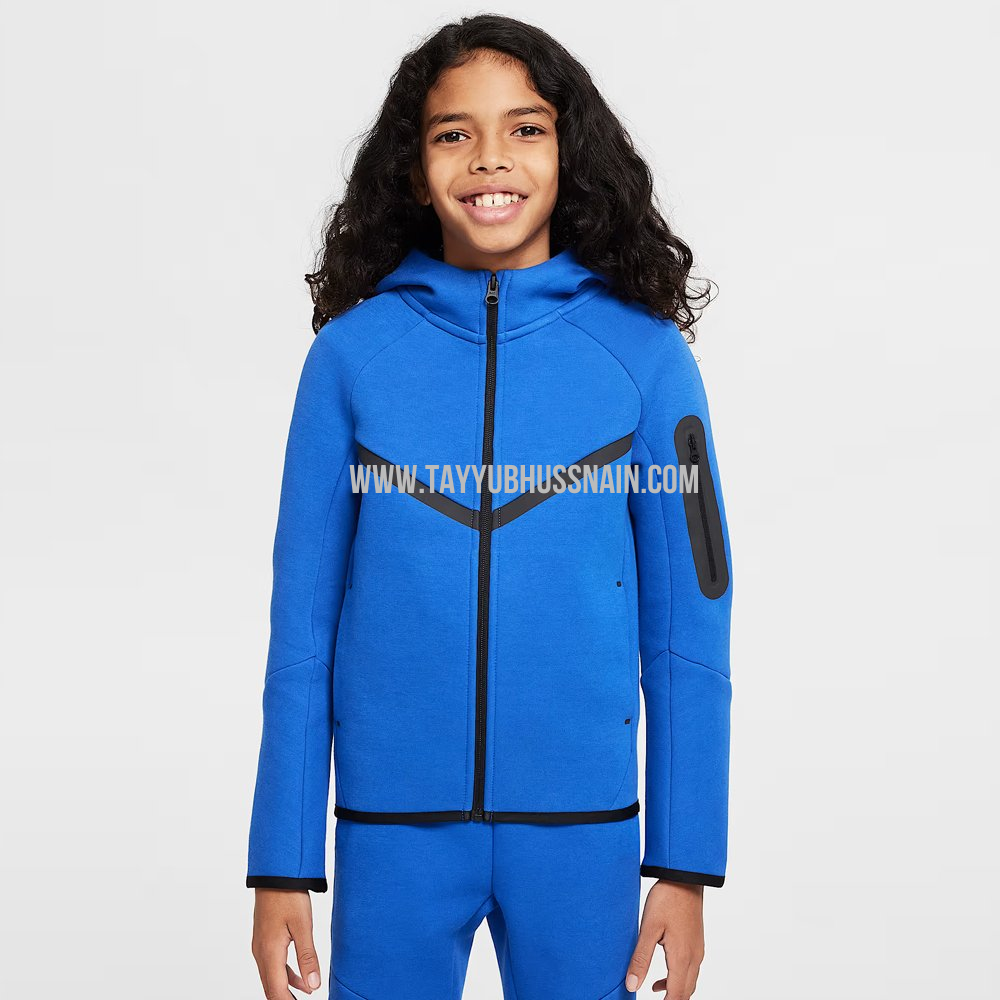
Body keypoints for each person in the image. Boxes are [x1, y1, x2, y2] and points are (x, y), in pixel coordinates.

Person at [246, 14, 732, 1000]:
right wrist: (281, 862)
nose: (489, 158)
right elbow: (301, 626)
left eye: (525, 128)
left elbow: (693, 621)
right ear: (412, 167)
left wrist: (685, 863)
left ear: (569, 152)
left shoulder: (647, 361)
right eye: (453, 133)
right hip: (390, 827)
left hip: (585, 828)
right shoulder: (349, 360)